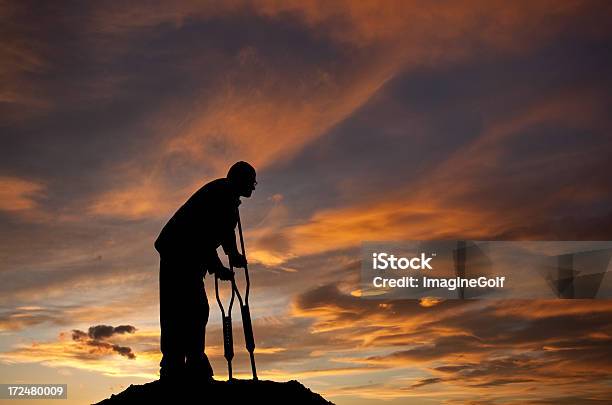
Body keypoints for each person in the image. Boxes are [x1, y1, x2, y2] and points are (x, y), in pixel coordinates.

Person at [154, 161, 257, 382]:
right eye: (251, 181)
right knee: (188, 308)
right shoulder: (221, 195)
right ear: (240, 180)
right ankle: (180, 367)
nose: (253, 187)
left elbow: (223, 232)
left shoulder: (226, 197)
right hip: (178, 251)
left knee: (190, 309)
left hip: (185, 254)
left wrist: (233, 255)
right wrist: (218, 267)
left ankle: (187, 365)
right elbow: (200, 234)